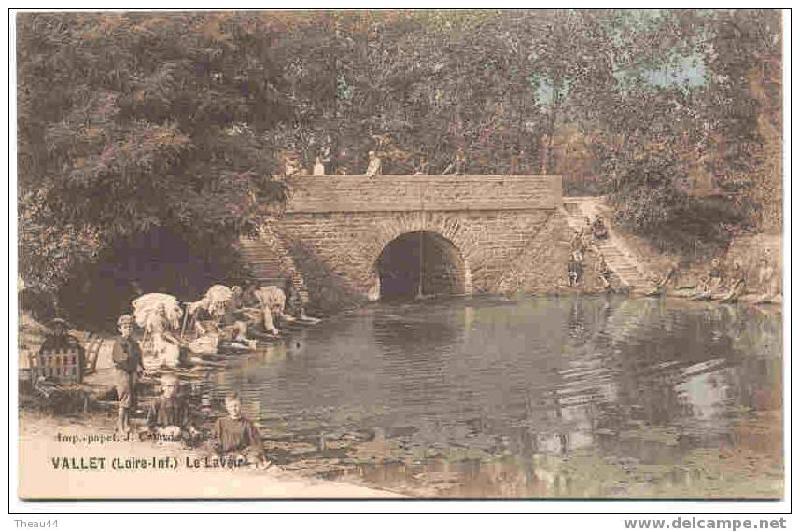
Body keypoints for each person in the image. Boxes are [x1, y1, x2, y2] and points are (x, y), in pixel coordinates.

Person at [211, 392, 270, 469]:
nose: (234, 409)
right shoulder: (220, 422)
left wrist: (243, 454)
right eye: (231, 406)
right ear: (226, 407)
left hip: (242, 455)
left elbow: (256, 444)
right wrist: (214, 454)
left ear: (241, 405)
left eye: (236, 406)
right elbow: (213, 441)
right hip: (225, 455)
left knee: (254, 460)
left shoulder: (248, 424)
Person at [111, 314, 144, 435]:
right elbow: (120, 358)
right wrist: (133, 363)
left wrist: (140, 366)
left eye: (130, 327)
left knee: (132, 398)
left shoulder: (134, 343)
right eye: (125, 327)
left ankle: (127, 423)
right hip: (122, 372)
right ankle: (120, 425)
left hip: (132, 372)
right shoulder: (119, 343)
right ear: (120, 329)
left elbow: (139, 356)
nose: (128, 330)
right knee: (125, 398)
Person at [146, 373, 198, 445]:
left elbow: (187, 421)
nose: (172, 389)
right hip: (161, 435)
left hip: (178, 435)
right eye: (169, 386)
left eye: (175, 386)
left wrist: (191, 428)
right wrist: (162, 430)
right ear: (163, 387)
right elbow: (150, 424)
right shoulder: (157, 403)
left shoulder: (181, 403)